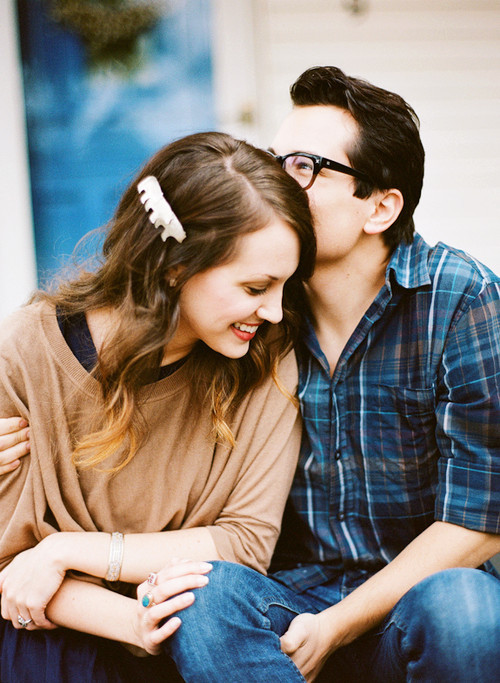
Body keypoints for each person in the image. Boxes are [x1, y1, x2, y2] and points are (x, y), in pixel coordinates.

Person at [3, 67, 500, 682]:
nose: (279, 180)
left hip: (409, 609)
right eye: (278, 157)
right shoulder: (256, 321)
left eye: (308, 166)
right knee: (205, 598)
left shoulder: (458, 300)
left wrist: (336, 626)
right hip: (284, 605)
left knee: (464, 607)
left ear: (381, 206)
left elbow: (479, 518)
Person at [0, 131, 316, 681]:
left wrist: (66, 550)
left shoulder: (267, 358)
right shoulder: (28, 351)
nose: (274, 312)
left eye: (284, 287)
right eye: (256, 287)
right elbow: (12, 564)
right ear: (174, 268)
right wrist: (130, 622)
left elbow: (243, 543)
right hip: (60, 633)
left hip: (196, 632)